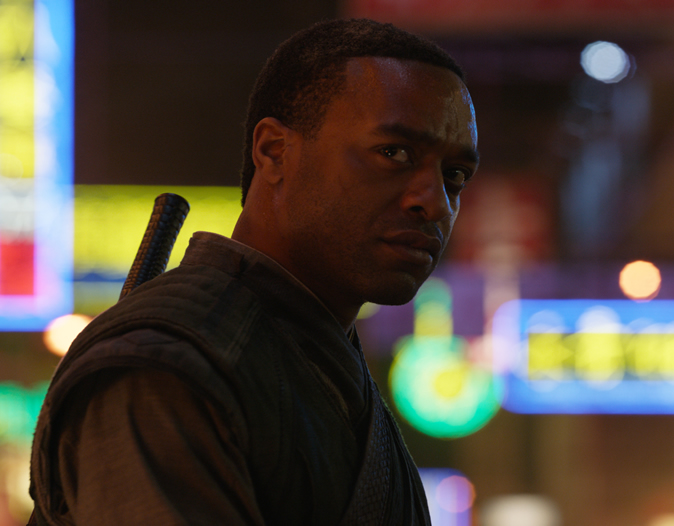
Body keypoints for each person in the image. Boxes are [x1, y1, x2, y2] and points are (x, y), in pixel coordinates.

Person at [28, 18, 478, 525]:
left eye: (454, 176)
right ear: (274, 151)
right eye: (393, 153)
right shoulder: (166, 365)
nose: (434, 203)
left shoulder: (312, 361)